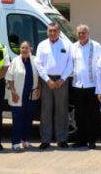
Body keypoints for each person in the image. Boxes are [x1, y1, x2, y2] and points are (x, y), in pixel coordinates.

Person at [35, 21, 72, 149]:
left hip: (62, 80)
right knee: (46, 110)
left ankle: (62, 139)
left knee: (61, 110)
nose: (52, 33)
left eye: (54, 30)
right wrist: (47, 79)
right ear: (47, 32)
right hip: (47, 81)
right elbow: (38, 64)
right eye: (50, 30)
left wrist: (62, 79)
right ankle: (46, 139)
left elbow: (70, 63)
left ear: (59, 32)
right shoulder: (42, 45)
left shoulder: (67, 44)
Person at [70, 24, 101, 149]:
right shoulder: (73, 47)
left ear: (88, 34)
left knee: (93, 115)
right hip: (78, 85)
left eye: (83, 33)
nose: (81, 35)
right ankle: (81, 140)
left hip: (92, 85)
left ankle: (92, 140)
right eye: (79, 33)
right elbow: (70, 64)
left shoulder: (96, 46)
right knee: (79, 115)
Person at [6, 40, 41, 151]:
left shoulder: (35, 60)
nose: (25, 50)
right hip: (17, 95)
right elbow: (9, 79)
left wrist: (39, 88)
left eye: (27, 48)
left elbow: (40, 76)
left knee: (28, 119)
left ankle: (26, 141)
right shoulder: (15, 61)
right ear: (19, 49)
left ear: (31, 49)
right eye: (22, 48)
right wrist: (13, 92)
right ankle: (15, 142)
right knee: (17, 120)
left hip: (31, 95)